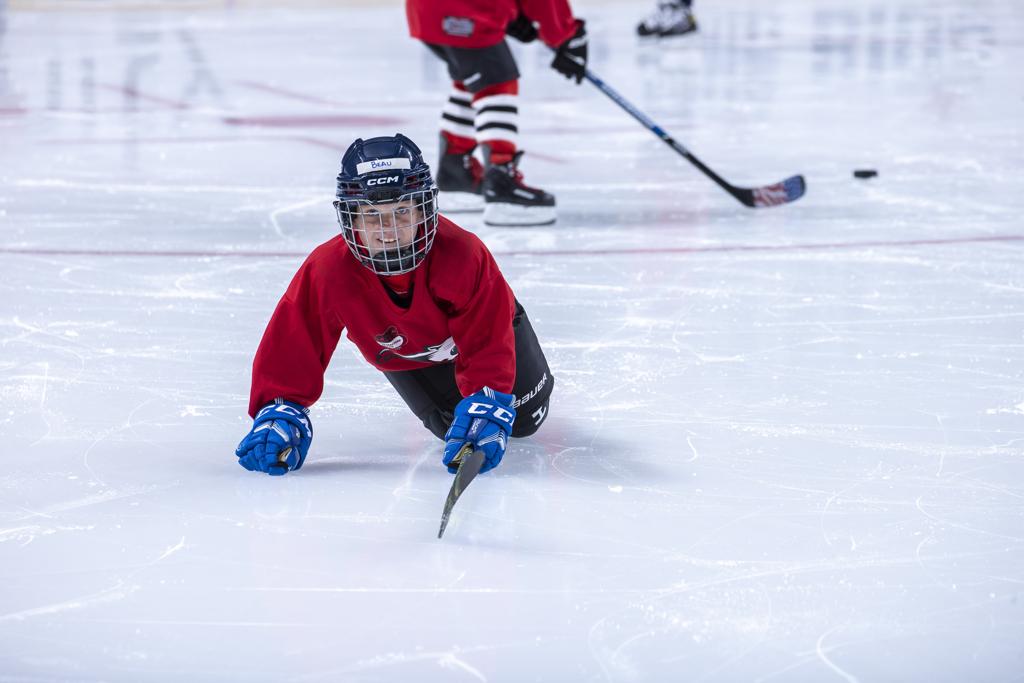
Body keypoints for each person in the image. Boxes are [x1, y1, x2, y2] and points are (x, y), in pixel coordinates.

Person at [235, 134, 554, 477]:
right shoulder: (328, 269)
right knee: (451, 428)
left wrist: (487, 399)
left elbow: (487, 334)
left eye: (401, 211)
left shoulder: (463, 253)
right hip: (408, 358)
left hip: (485, 339)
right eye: (372, 215)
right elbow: (296, 339)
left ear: (423, 209)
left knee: (523, 420)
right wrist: (280, 407)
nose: (388, 229)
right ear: (351, 218)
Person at [405, 0, 588, 227]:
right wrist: (566, 34)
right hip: (465, 9)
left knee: (473, 78)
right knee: (496, 82)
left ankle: (456, 173)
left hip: (426, 10)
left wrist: (512, 13)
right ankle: (502, 183)